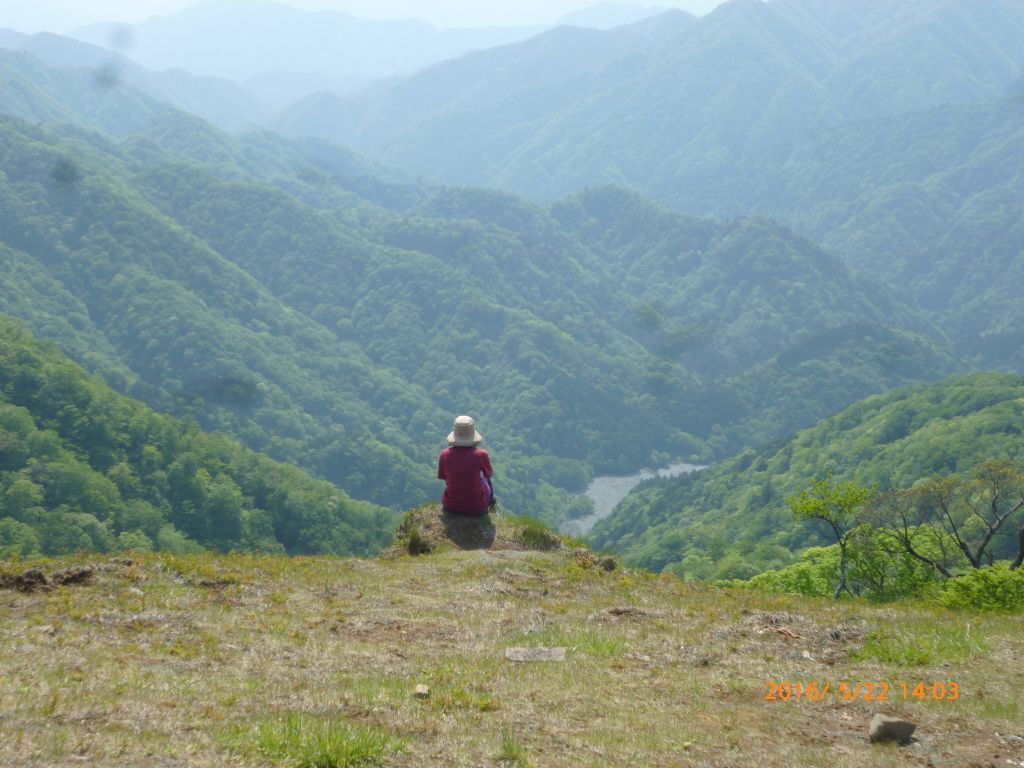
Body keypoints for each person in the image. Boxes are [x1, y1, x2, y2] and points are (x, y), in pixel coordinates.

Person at [437, 415, 495, 516]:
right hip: (477, 508)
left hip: (450, 506)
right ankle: (490, 503)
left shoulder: (444, 454)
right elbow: (489, 474)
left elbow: (444, 478)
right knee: (485, 478)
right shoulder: (480, 454)